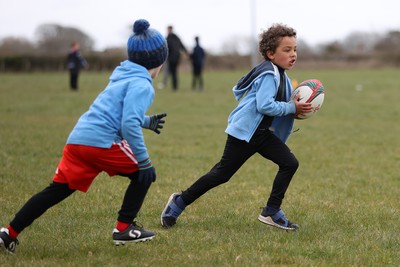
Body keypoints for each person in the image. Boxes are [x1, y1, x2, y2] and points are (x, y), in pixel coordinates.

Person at [0, 19, 168, 254]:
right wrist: (144, 160)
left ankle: (8, 233)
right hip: (102, 142)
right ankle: (124, 228)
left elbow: (117, 112)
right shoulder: (143, 85)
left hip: (78, 140)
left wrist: (147, 121)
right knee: (144, 174)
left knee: (56, 190)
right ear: (159, 61)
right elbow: (127, 123)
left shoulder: (121, 75)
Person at [161, 23, 313, 231]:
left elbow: (281, 104)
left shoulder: (281, 74)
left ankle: (271, 211)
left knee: (289, 163)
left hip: (262, 134)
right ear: (270, 53)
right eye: (287, 50)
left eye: (295, 49)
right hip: (245, 134)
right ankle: (179, 202)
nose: (293, 54)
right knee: (221, 175)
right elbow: (265, 105)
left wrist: (294, 108)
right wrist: (290, 107)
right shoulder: (270, 74)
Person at [166, 25, 187, 91]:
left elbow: (165, 47)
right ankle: (175, 86)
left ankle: (174, 87)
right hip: (177, 57)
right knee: (174, 72)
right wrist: (186, 52)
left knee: (173, 72)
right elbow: (182, 45)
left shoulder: (168, 38)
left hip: (172, 58)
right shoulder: (176, 37)